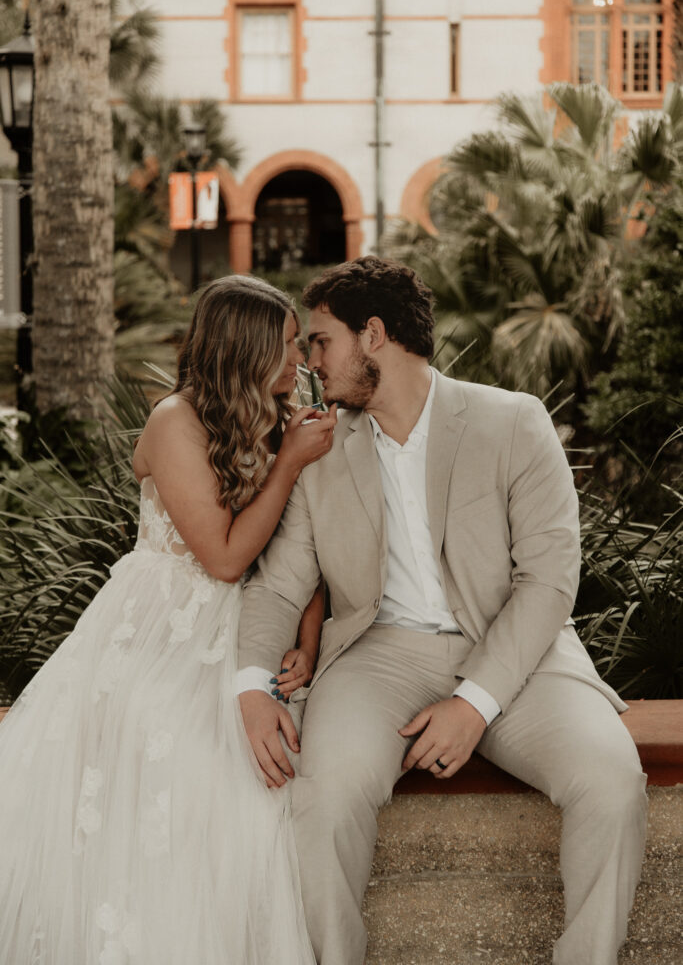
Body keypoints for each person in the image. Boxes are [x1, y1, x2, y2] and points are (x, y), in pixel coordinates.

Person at [237, 255, 648, 965]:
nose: (310, 360)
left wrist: (474, 703)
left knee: (612, 782)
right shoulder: (320, 447)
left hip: (517, 655)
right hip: (378, 657)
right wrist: (247, 684)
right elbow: (279, 584)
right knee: (322, 798)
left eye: (321, 340)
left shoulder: (512, 422)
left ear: (372, 336)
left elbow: (548, 580)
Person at [0, 276, 337, 965]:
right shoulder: (174, 422)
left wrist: (306, 639)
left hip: (248, 624)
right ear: (246, 348)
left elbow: (300, 547)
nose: (301, 359)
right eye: (289, 343)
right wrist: (291, 465)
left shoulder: (282, 415)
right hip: (162, 626)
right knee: (176, 759)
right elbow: (220, 556)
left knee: (268, 778)